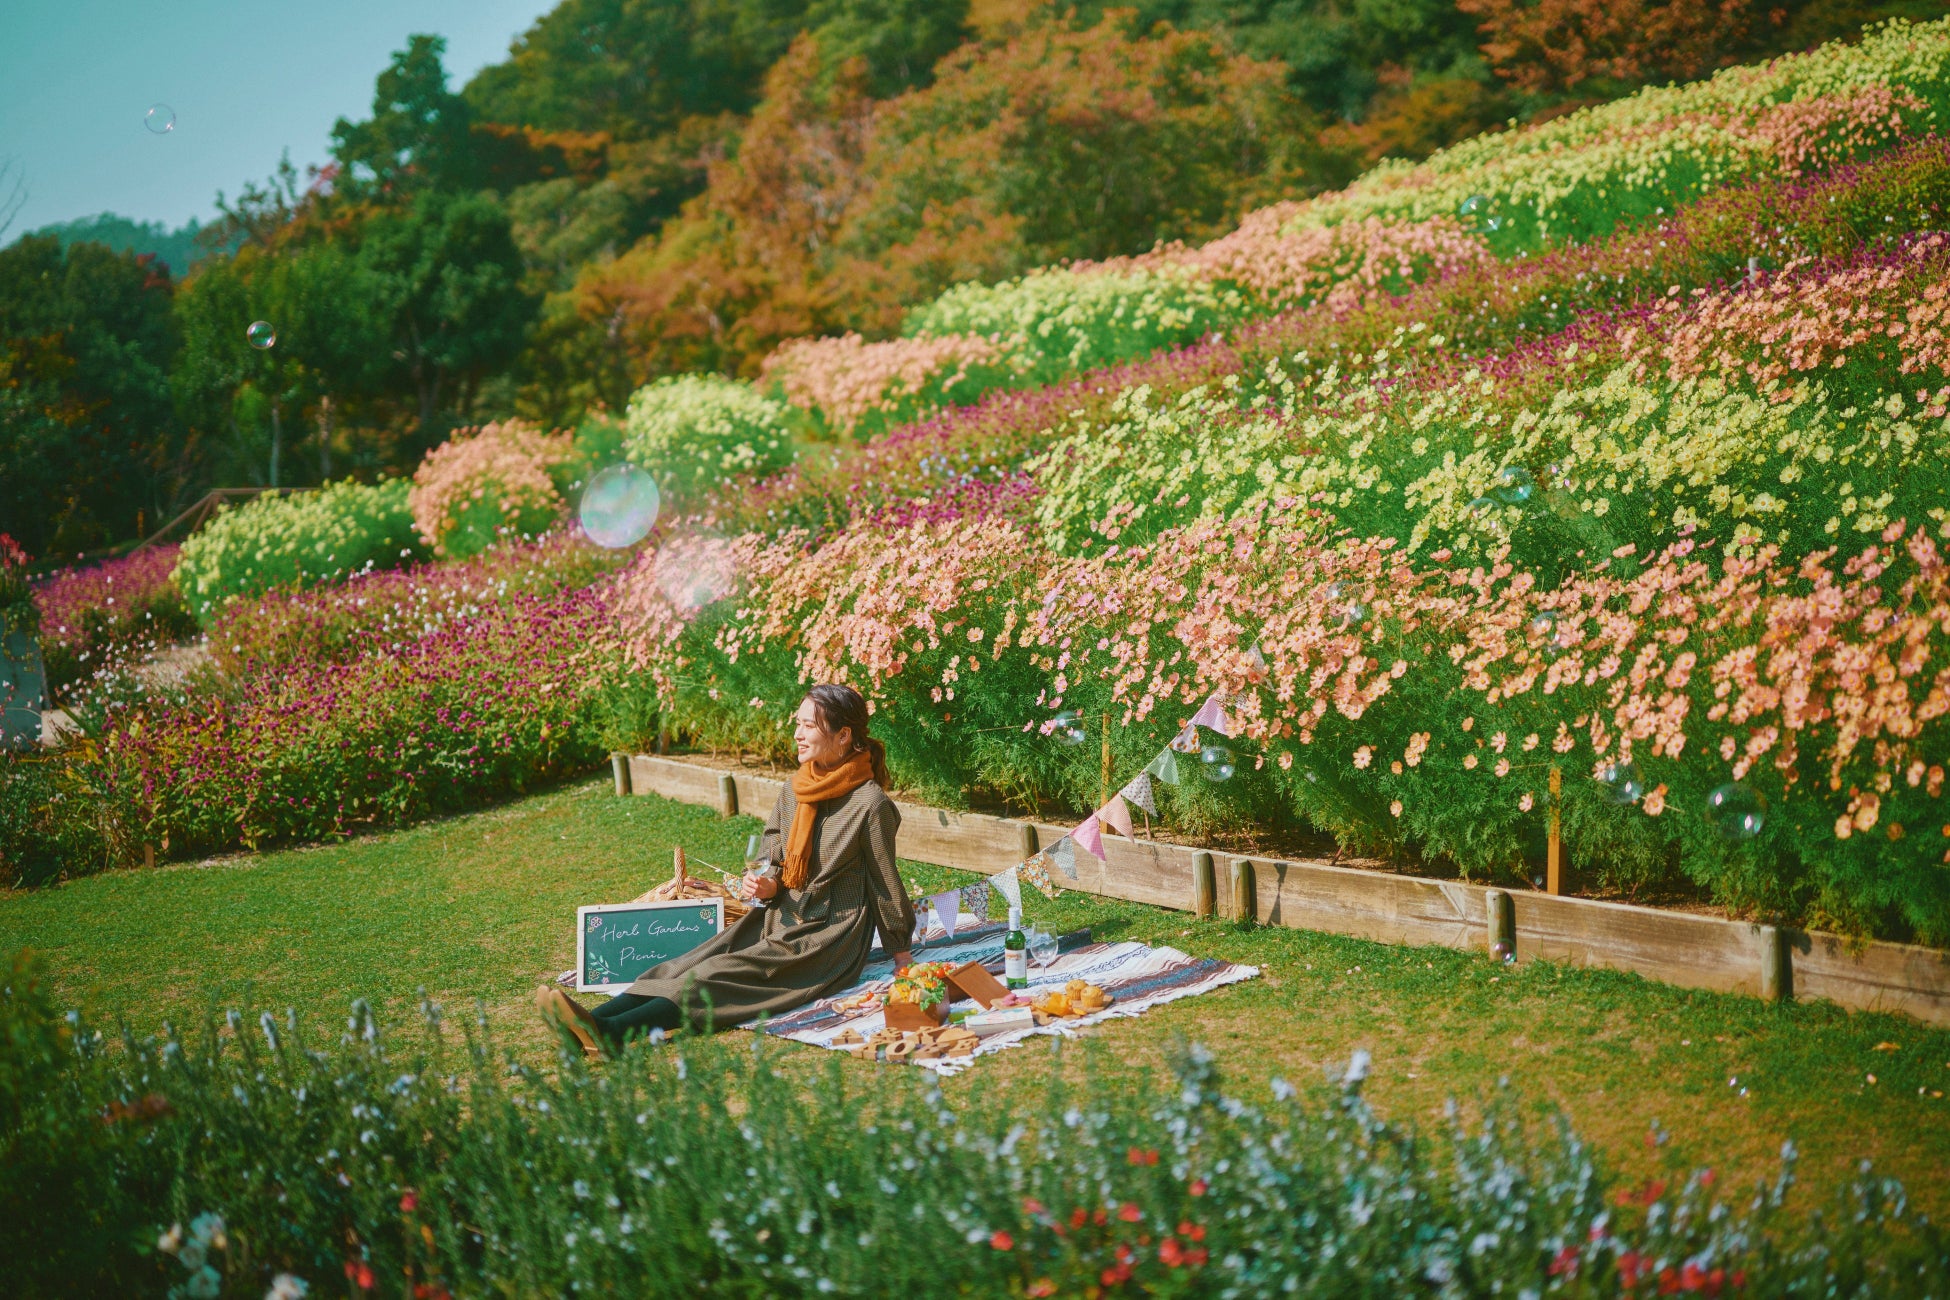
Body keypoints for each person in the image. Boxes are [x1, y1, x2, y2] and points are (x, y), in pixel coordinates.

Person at [538, 683, 915, 1054]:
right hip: (779, 915)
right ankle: (589, 1019)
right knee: (691, 961)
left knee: (718, 975)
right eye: (797, 723)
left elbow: (884, 880)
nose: (797, 735)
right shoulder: (795, 787)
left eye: (809, 726)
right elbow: (772, 847)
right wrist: (768, 883)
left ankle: (612, 1032)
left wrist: (901, 955)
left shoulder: (870, 804)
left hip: (829, 933)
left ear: (843, 735)